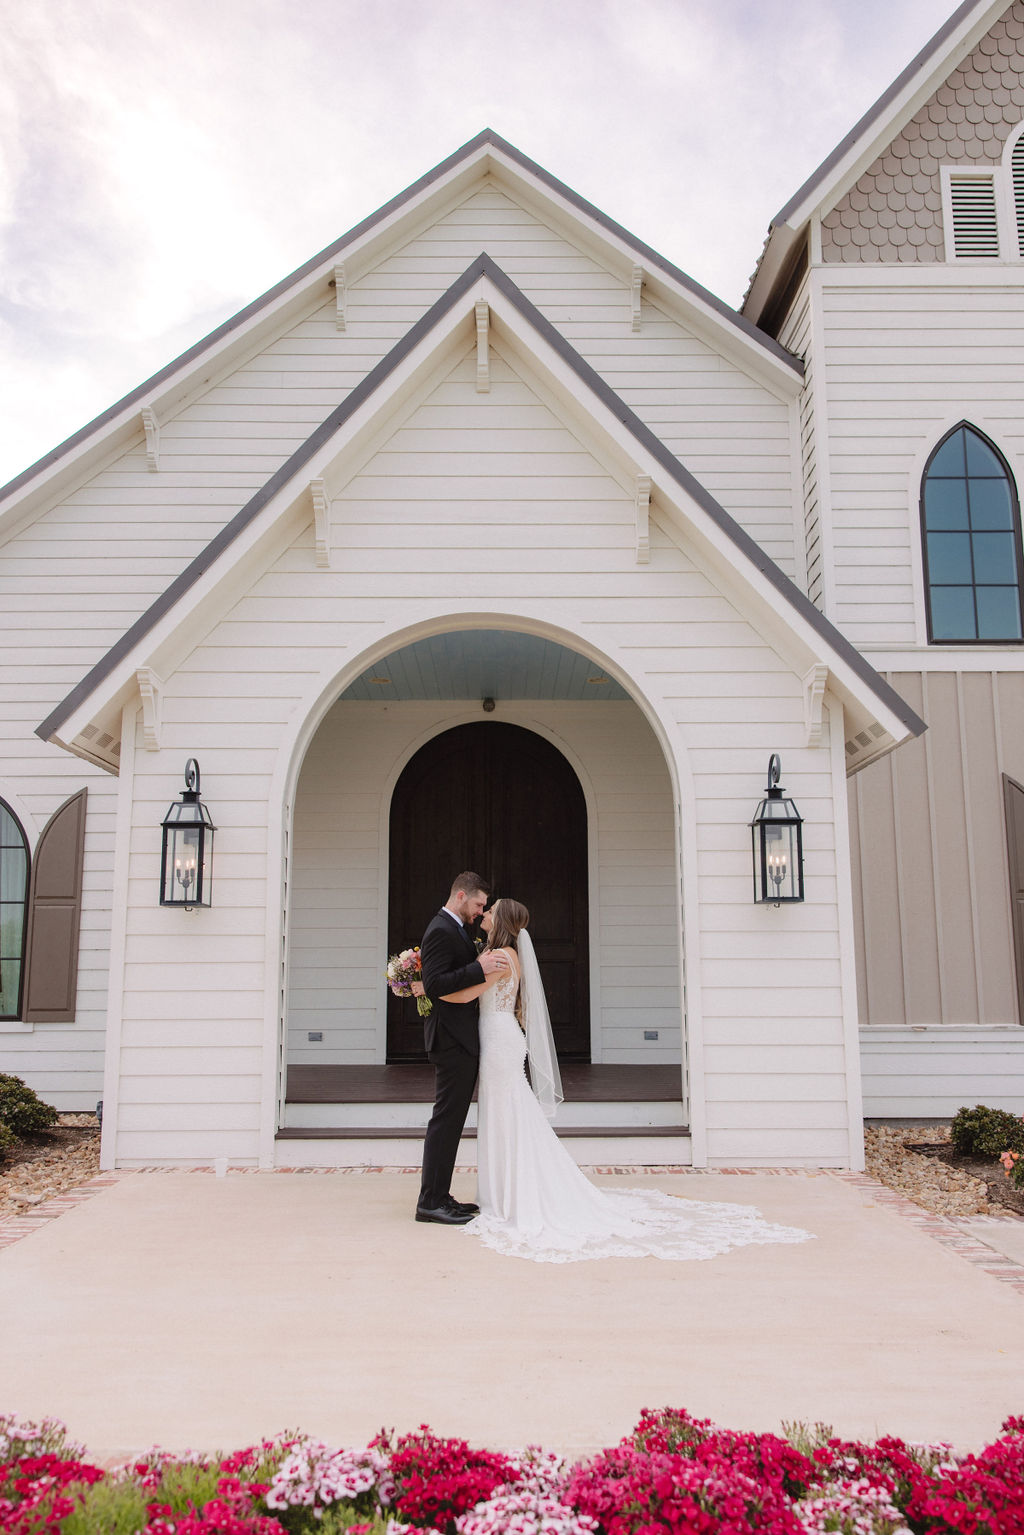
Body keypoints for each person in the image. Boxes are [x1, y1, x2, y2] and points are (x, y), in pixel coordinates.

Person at [451, 897, 814, 1263]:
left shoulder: (499, 958)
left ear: (503, 921)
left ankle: (514, 1194)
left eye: (493, 910)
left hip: (499, 1039)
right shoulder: (499, 953)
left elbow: (467, 993)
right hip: (498, 1036)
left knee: (508, 1111)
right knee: (504, 1111)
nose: (486, 913)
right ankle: (504, 1191)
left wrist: (427, 988)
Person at [415, 872, 509, 1225]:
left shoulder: (453, 928)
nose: (480, 911)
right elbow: (435, 985)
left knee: (452, 1122)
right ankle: (430, 1201)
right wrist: (478, 968)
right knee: (446, 1121)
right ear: (460, 895)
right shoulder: (440, 929)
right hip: (450, 1040)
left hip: (459, 1039)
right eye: (478, 904)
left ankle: (441, 1195)